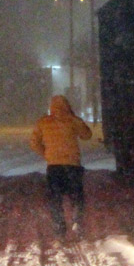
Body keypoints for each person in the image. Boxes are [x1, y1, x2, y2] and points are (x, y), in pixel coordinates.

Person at [29, 94, 93, 237]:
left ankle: (59, 226)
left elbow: (34, 143)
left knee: (55, 198)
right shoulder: (72, 120)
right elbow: (87, 135)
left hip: (54, 166)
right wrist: (75, 118)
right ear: (67, 106)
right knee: (76, 195)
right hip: (72, 165)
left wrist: (46, 154)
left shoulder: (43, 122)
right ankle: (77, 221)